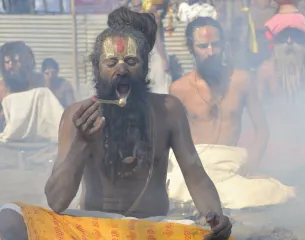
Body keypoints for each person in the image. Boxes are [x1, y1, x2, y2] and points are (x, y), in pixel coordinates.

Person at [0, 8, 231, 240]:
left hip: (151, 229)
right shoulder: (77, 115)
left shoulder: (168, 110)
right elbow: (57, 201)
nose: (121, 70)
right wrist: (82, 142)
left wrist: (215, 216)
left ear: (144, 69)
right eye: (111, 62)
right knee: (9, 218)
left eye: (131, 61)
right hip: (92, 227)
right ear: (96, 68)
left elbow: (195, 174)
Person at [168, 17, 295, 210]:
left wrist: (253, 162)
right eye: (203, 46)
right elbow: (172, 139)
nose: (211, 52)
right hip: (196, 165)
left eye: (216, 45)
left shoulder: (242, 80)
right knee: (179, 189)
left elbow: (262, 129)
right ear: (191, 47)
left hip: (231, 163)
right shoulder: (179, 89)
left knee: (272, 193)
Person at [257, 13, 305, 104]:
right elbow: (257, 104)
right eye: (283, 36)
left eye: (296, 35)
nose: (290, 41)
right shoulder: (266, 70)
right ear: (275, 42)